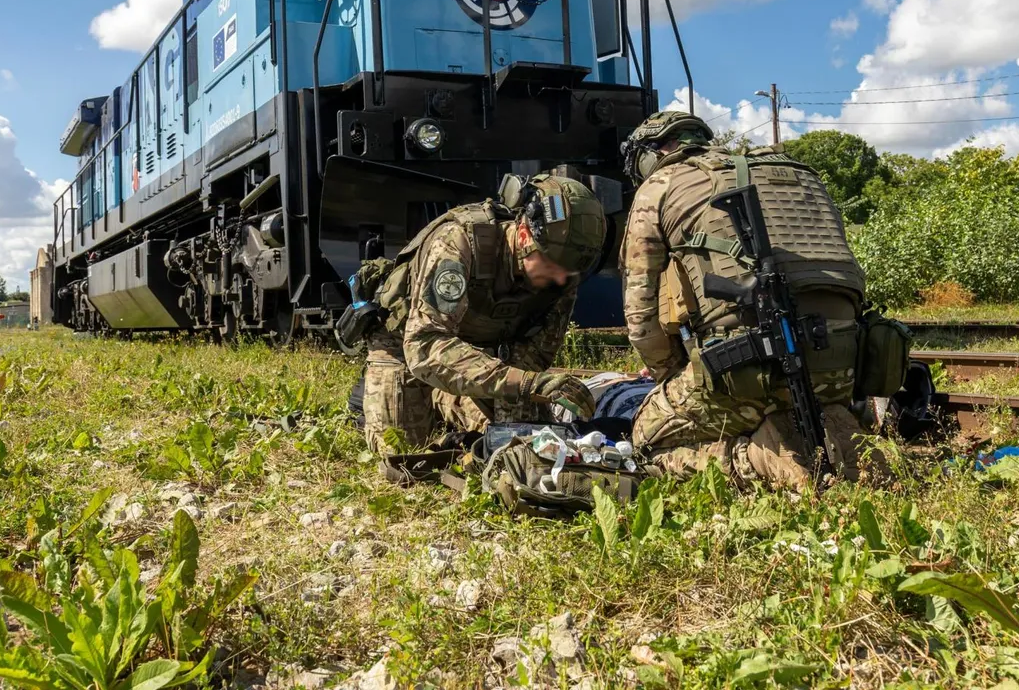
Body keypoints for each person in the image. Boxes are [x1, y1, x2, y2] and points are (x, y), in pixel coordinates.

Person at [617, 111, 876, 490]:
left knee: (646, 441)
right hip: (845, 364)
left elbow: (641, 319)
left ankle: (759, 459)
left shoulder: (659, 186)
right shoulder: (792, 172)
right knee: (790, 392)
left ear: (651, 153)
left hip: (749, 370)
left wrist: (672, 374)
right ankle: (841, 428)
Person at [362, 174, 609, 453]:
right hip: (404, 347)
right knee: (402, 452)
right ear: (525, 235)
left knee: (522, 445)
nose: (561, 279)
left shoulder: (563, 272)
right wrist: (524, 384)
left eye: (570, 272)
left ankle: (447, 394)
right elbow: (424, 345)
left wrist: (524, 392)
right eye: (552, 266)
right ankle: (425, 391)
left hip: (480, 354)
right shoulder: (460, 242)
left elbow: (535, 354)